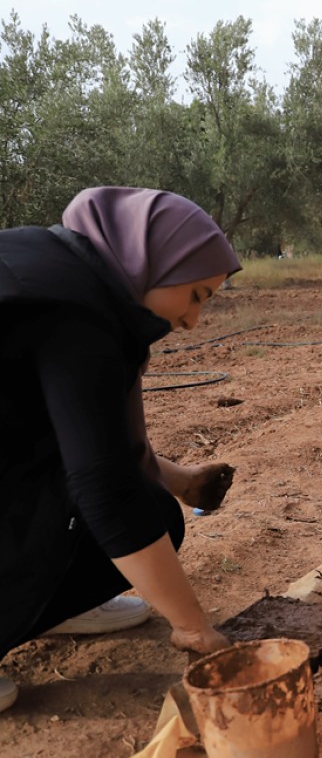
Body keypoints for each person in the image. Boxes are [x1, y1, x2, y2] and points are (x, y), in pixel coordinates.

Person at [0, 187, 240, 714]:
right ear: (155, 262)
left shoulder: (62, 270)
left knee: (154, 508)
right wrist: (193, 628)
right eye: (196, 295)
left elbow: (84, 436)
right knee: (127, 505)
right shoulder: (72, 311)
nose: (193, 321)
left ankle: (50, 607)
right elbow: (103, 485)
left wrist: (177, 481)